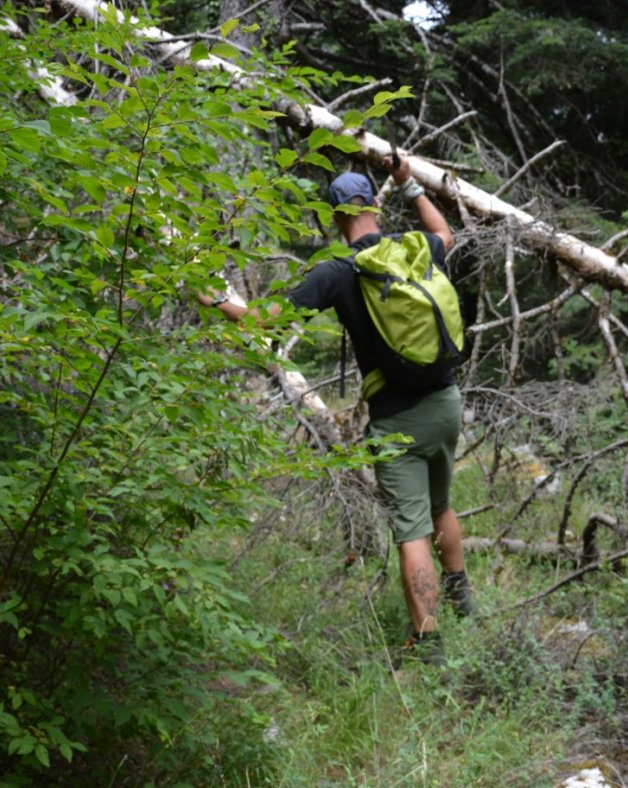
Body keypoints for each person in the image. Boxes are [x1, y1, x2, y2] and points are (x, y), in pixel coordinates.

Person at [199, 156, 478, 660]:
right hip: (447, 402)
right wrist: (409, 182)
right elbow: (447, 232)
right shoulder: (416, 249)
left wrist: (216, 301)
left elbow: (264, 320)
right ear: (373, 204)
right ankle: (462, 597)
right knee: (440, 504)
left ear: (334, 218)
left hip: (399, 421)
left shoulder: (338, 272)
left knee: (411, 529)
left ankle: (428, 641)